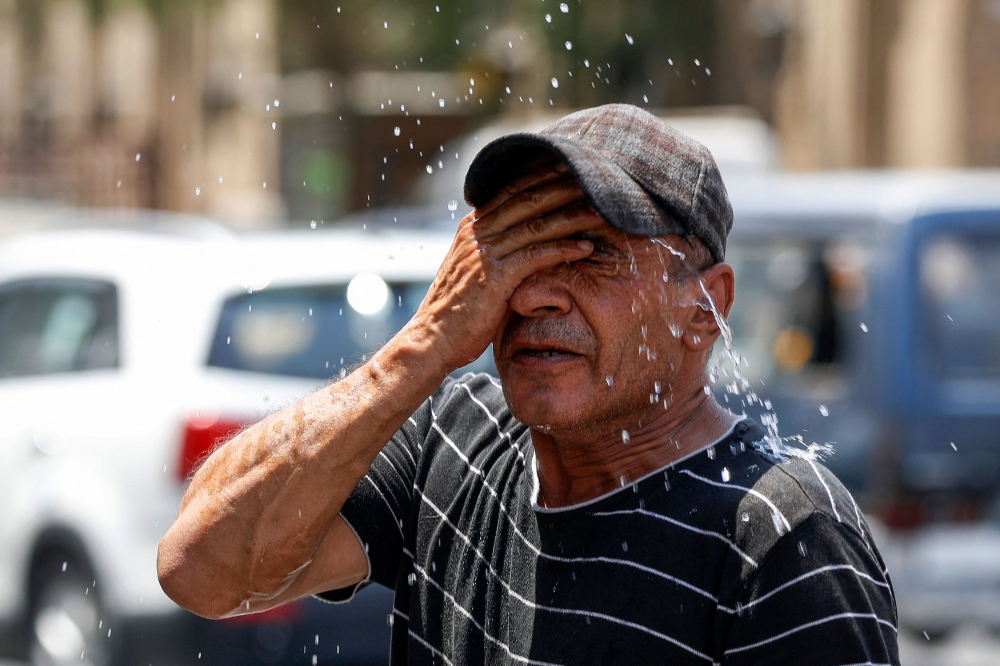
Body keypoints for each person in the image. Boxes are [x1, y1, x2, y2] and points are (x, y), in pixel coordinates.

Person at [158, 104, 899, 665]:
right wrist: (418, 348)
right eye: (513, 252)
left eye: (590, 254)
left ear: (706, 309)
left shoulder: (782, 536)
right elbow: (200, 570)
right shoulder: (451, 438)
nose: (535, 294)